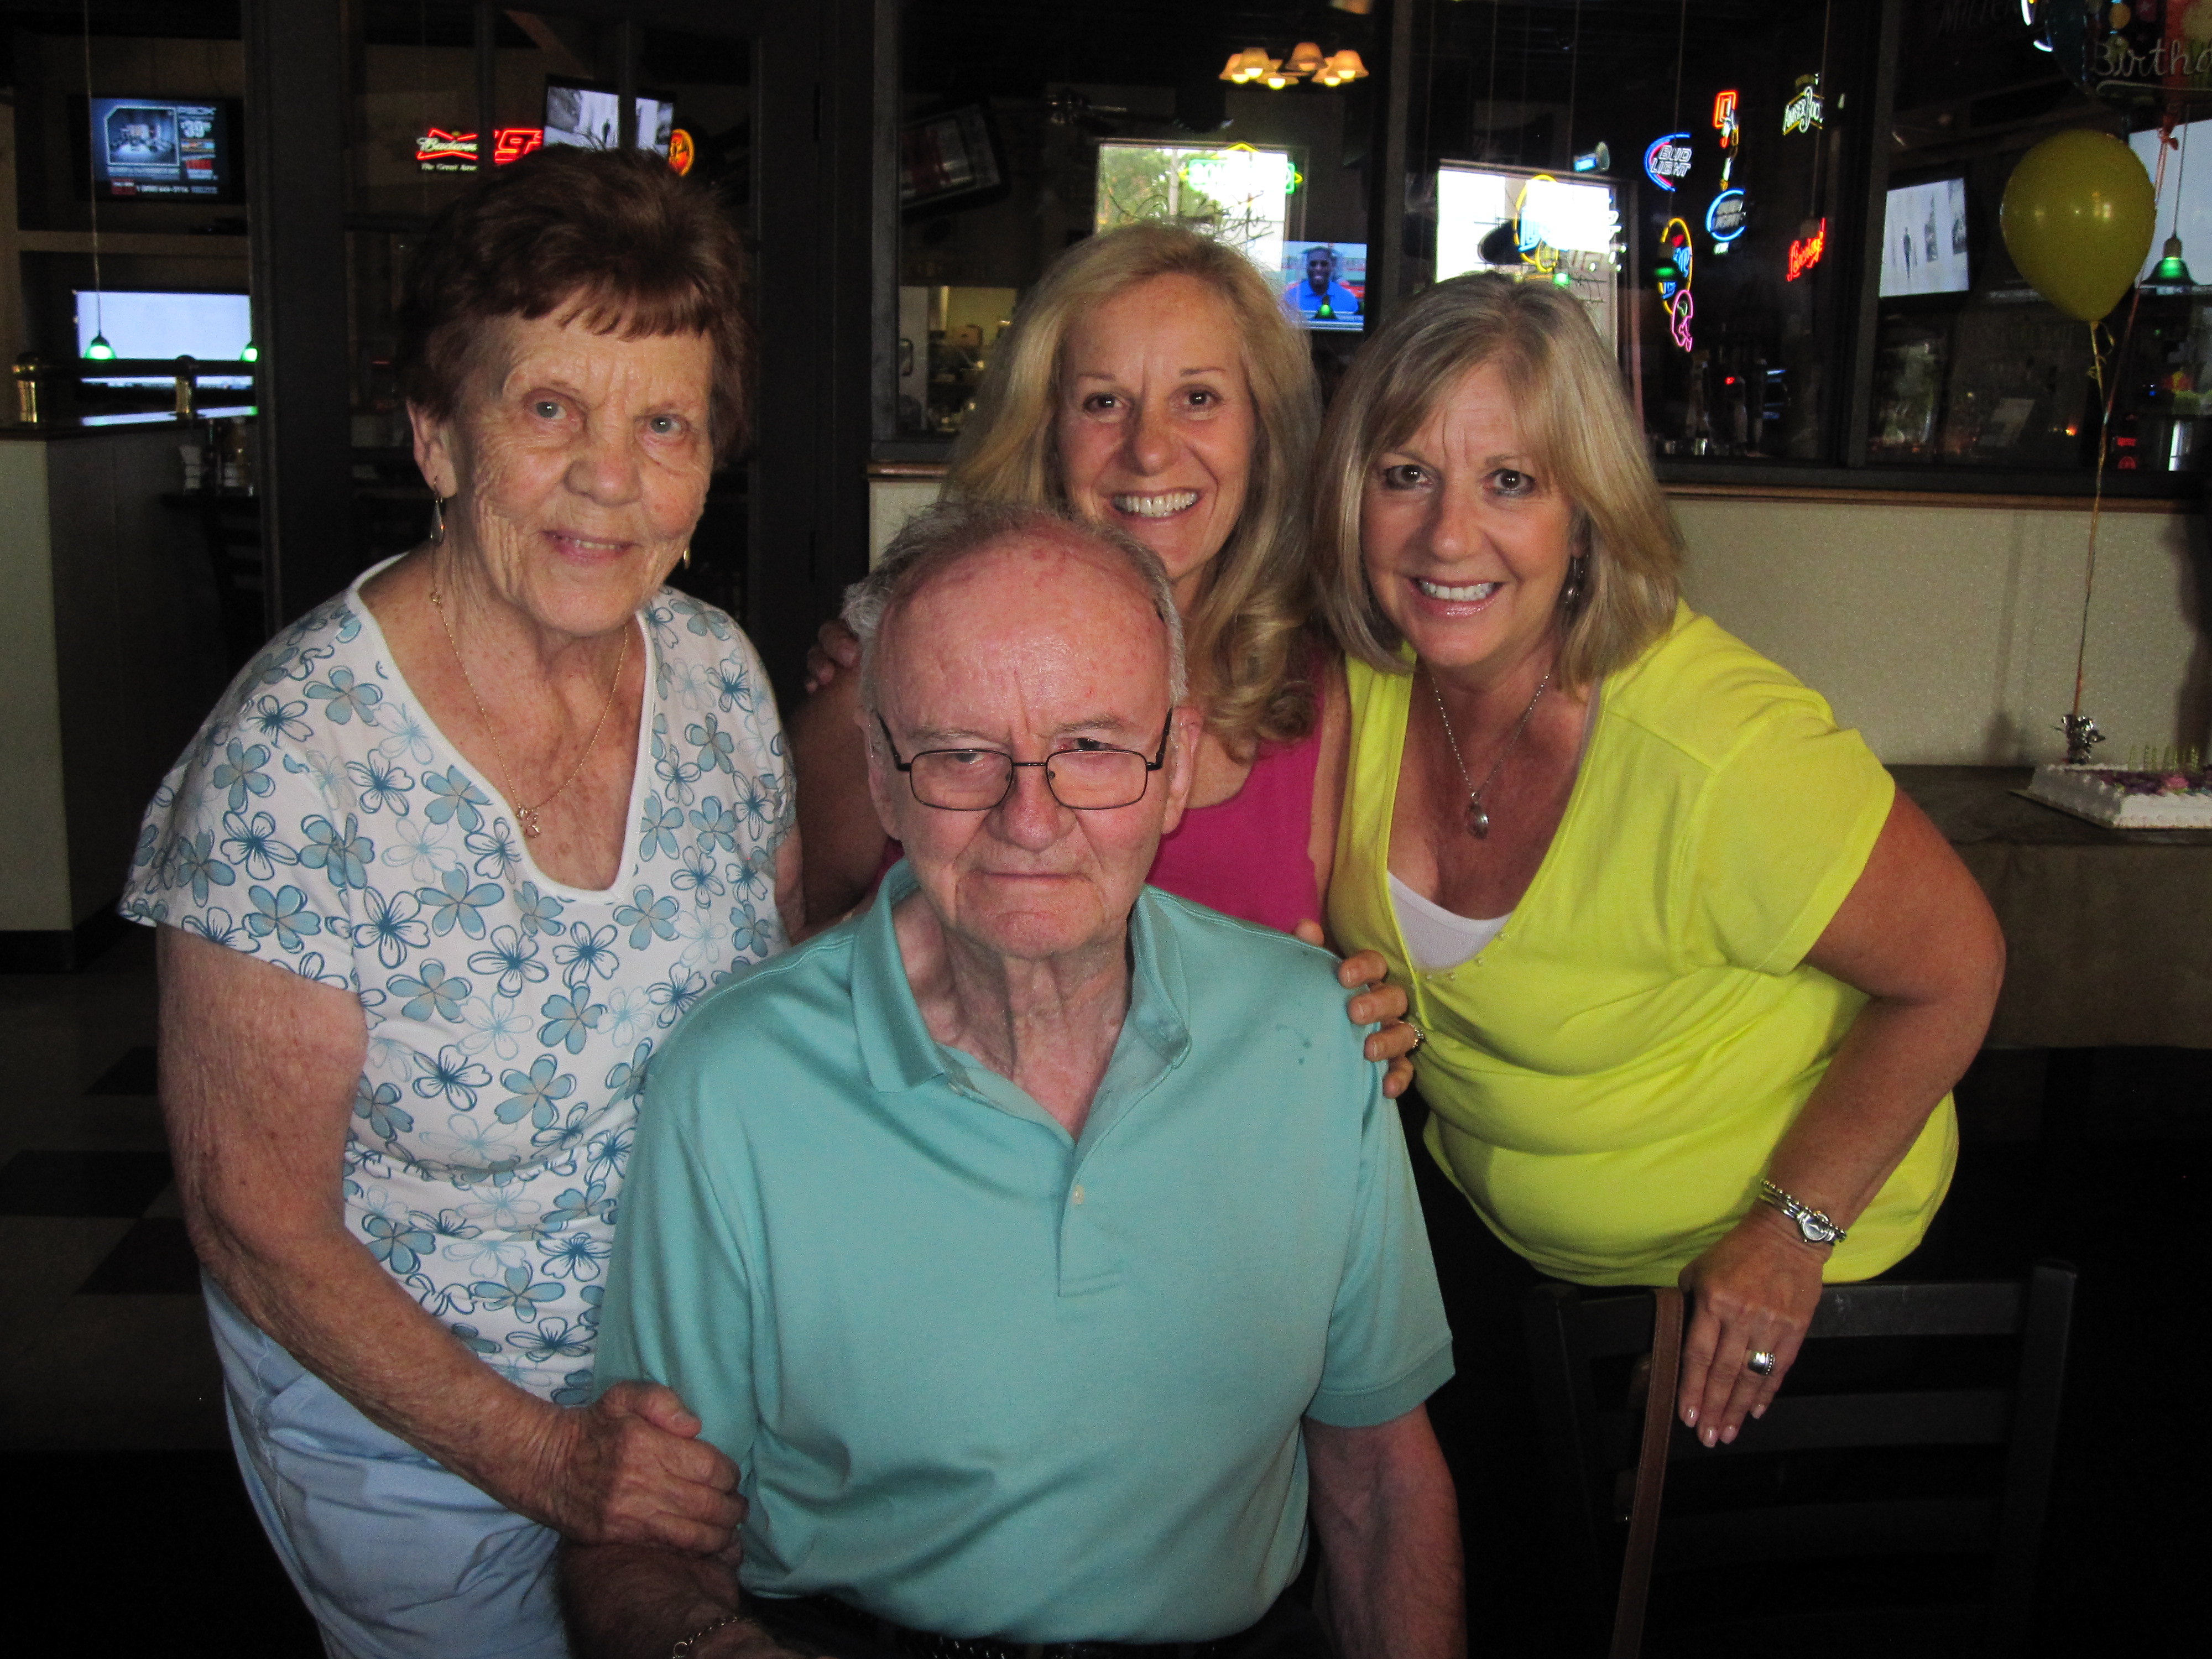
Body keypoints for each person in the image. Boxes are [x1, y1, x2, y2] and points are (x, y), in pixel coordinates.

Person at [563, 501, 1463, 1659]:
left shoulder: (1316, 1038)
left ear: (1175, 768)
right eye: (960, 754)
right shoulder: (736, 1082)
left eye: (1092, 748)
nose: (1029, 819)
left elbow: (1381, 1486)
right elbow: (639, 1542)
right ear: (882, 778)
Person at [121, 147, 797, 1658]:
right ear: (436, 436)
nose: (611, 476)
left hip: (694, 1385)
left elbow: (781, 1007)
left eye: (665, 423)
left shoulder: (717, 680)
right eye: (548, 408)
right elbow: (255, 1226)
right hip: (426, 1445)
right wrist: (551, 1461)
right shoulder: (294, 770)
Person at [1310, 275, 2004, 1629]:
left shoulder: (1718, 750)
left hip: (1772, 1283)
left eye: (1510, 480)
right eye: (1405, 474)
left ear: (1586, 514)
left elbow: (1957, 967)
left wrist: (1788, 1230)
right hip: (1503, 1244)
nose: (1447, 533)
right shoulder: (1367, 681)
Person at [793, 222, 1418, 1086]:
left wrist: (1367, 1023)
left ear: (1263, 431)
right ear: (1045, 428)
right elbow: (789, 960)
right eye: (1103, 402)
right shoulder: (893, 682)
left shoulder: (1314, 696)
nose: (1150, 449)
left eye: (1198, 398)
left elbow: (1332, 979)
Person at [1284, 243, 1361, 324]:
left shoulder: (1348, 299)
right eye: (1313, 264)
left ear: (1332, 267)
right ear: (1307, 267)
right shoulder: (1290, 298)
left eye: (1324, 264)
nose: (1318, 268)